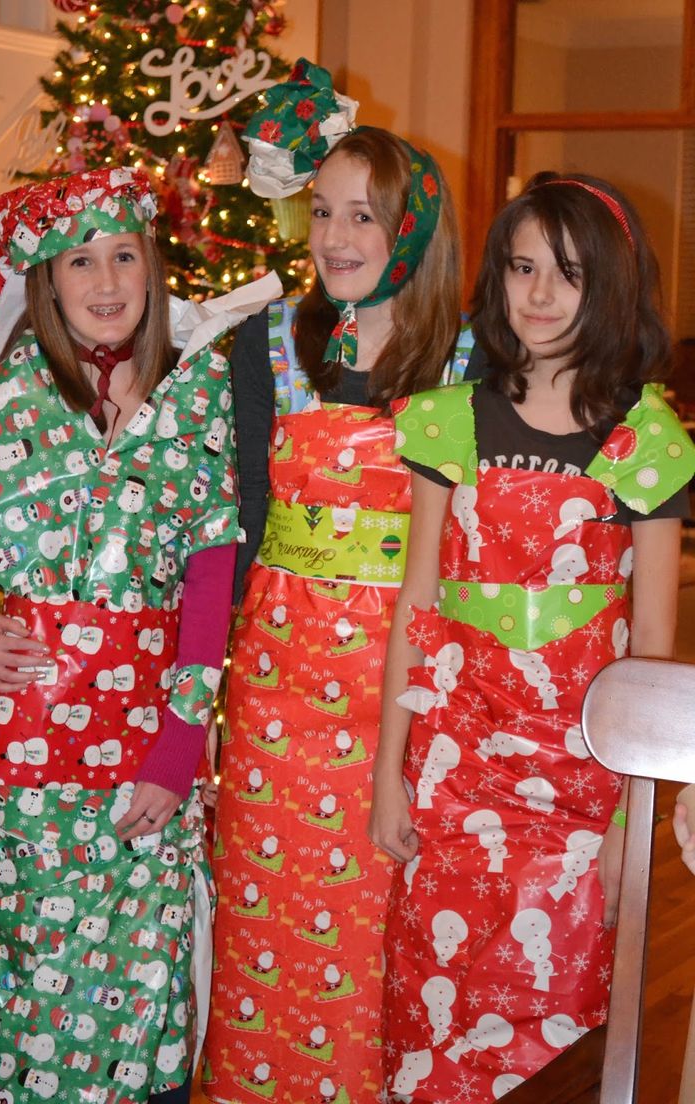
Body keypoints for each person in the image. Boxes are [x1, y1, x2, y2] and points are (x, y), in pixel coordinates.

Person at [369, 171, 695, 1100]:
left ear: (614, 290)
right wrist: (390, 770)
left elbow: (651, 662)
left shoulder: (648, 441)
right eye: (521, 268)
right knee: (432, 1003)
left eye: (569, 275)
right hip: (452, 762)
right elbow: (417, 606)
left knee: (552, 1008)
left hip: (580, 786)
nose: (540, 296)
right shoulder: (449, 421)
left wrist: (644, 815)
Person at [0, 166, 275, 1104]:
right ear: (47, 281)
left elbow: (212, 580)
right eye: (80, 259)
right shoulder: (0, 399)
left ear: (153, 268)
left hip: (149, 754)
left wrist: (179, 751)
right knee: (31, 1003)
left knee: (143, 1006)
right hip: (24, 762)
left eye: (125, 255)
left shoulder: (199, 392)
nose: (106, 280)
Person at [202, 60, 472, 1104]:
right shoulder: (263, 344)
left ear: (412, 229)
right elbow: (235, 522)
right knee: (264, 914)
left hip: (402, 694)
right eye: (322, 211)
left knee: (377, 930)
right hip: (276, 694)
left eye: (363, 215)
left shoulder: (469, 360)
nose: (334, 237)